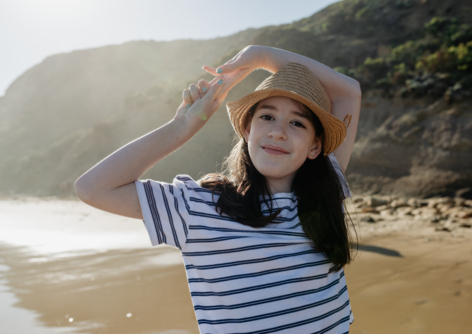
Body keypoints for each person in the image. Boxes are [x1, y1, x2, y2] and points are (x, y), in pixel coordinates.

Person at [74, 45, 361, 333]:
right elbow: (93, 188)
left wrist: (261, 56)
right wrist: (183, 125)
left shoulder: (325, 193)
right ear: (247, 130)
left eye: (297, 122)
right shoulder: (199, 209)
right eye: (267, 117)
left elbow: (349, 91)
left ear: (315, 146)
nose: (277, 131)